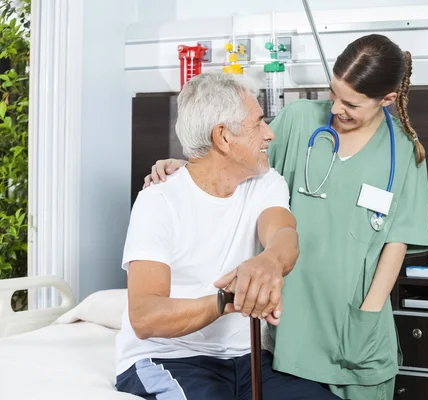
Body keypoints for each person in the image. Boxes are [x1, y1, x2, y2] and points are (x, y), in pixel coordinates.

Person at [143, 34, 428, 400]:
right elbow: (242, 162)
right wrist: (188, 168)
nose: (337, 108)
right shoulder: (299, 121)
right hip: (293, 326)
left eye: (351, 104)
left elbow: (397, 240)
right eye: (334, 93)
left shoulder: (404, 152)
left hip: (356, 325)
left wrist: (369, 313)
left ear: (387, 100)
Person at [115, 71, 339, 400]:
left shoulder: (266, 182)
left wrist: (268, 263)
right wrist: (230, 299)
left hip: (249, 361)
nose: (270, 134)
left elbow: (283, 234)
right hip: (168, 359)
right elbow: (145, 317)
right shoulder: (159, 201)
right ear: (223, 136)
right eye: (258, 123)